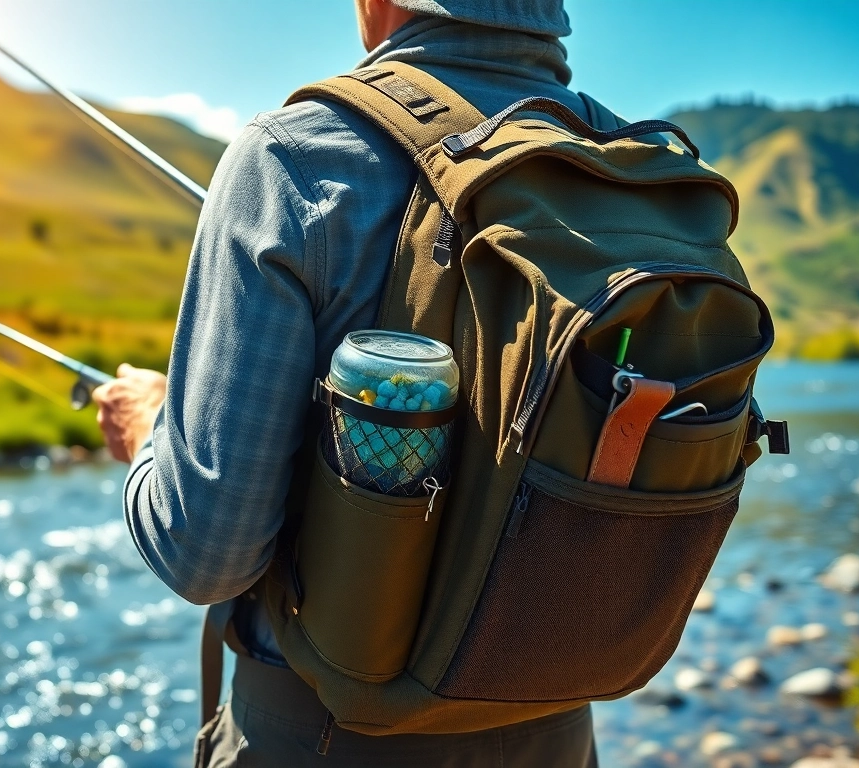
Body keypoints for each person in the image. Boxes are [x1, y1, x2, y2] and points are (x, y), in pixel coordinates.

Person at [93, 0, 603, 764]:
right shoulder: (624, 160)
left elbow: (209, 555)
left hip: (325, 734)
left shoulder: (294, 158)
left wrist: (148, 434)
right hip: (560, 733)